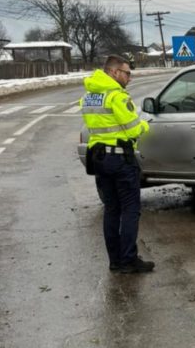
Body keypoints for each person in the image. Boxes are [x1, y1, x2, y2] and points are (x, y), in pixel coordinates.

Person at [81, 55, 153, 274]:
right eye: (127, 73)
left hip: (100, 159)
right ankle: (129, 260)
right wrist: (144, 126)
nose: (129, 78)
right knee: (130, 209)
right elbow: (132, 128)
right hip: (120, 158)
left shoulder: (90, 96)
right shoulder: (117, 97)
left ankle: (115, 261)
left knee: (111, 210)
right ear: (113, 72)